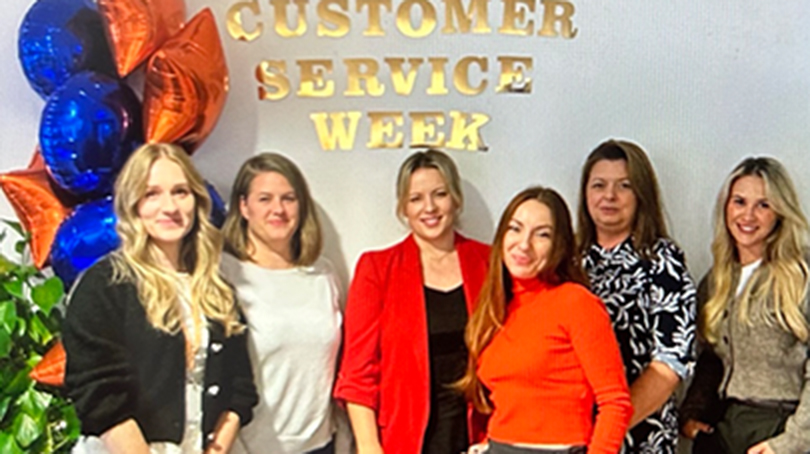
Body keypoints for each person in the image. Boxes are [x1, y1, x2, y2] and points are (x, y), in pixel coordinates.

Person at [63, 143, 258, 453]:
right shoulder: (105, 284)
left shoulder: (215, 289)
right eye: (152, 193)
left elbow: (240, 389)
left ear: (196, 200)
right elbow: (100, 396)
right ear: (133, 204)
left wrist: (217, 447)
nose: (170, 207)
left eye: (180, 192)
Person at [334, 149, 490, 454]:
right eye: (416, 198)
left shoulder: (489, 262)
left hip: (477, 436)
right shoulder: (377, 269)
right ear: (403, 207)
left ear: (455, 199)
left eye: (439, 194)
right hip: (404, 441)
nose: (429, 207)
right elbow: (358, 373)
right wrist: (368, 446)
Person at [459, 186, 632, 454]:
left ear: (559, 246)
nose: (524, 244)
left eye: (542, 234)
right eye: (515, 228)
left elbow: (616, 402)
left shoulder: (576, 303)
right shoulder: (494, 307)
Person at [680, 157, 810, 454]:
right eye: (739, 201)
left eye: (763, 204)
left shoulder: (801, 276)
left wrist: (790, 444)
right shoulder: (714, 282)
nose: (748, 215)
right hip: (724, 428)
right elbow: (710, 358)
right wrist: (692, 413)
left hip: (780, 427)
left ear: (780, 211)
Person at [576, 139, 697, 453]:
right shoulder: (569, 260)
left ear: (641, 193)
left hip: (641, 436)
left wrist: (608, 428)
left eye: (624, 186)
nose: (609, 196)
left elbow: (669, 365)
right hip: (572, 435)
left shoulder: (662, 261)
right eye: (599, 185)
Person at [220, 153, 343, 454]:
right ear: (243, 206)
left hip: (319, 446)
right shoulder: (223, 274)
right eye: (265, 199)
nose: (278, 209)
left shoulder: (322, 274)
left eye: (289, 198)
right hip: (248, 447)